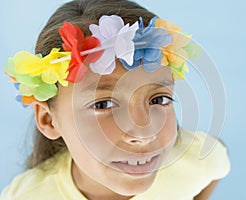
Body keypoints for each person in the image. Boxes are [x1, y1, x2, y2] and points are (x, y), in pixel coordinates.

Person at [1, 0, 230, 199]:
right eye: (103, 104)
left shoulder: (195, 161)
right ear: (49, 120)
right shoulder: (28, 196)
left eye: (158, 99)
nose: (143, 133)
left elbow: (214, 168)